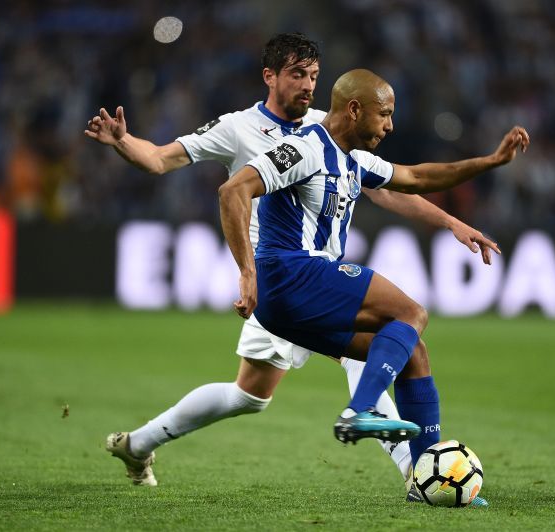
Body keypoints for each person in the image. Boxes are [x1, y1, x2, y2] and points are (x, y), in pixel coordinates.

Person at [84, 33, 495, 499]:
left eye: (314, 76)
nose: (308, 86)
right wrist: (124, 142)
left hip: (317, 274)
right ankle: (415, 467)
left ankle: (137, 445)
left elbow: (386, 186)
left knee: (370, 354)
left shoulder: (330, 124)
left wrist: (449, 222)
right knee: (258, 393)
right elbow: (159, 159)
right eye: (298, 74)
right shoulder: (238, 128)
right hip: (275, 276)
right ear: (270, 76)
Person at [218, 68, 529, 506]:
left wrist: (491, 162)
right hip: (290, 275)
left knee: (413, 353)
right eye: (384, 115)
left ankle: (425, 482)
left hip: (286, 304)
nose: (390, 126)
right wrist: (246, 272)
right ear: (354, 109)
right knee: (412, 314)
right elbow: (233, 190)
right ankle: (361, 409)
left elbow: (420, 179)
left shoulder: (355, 159)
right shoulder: (303, 148)